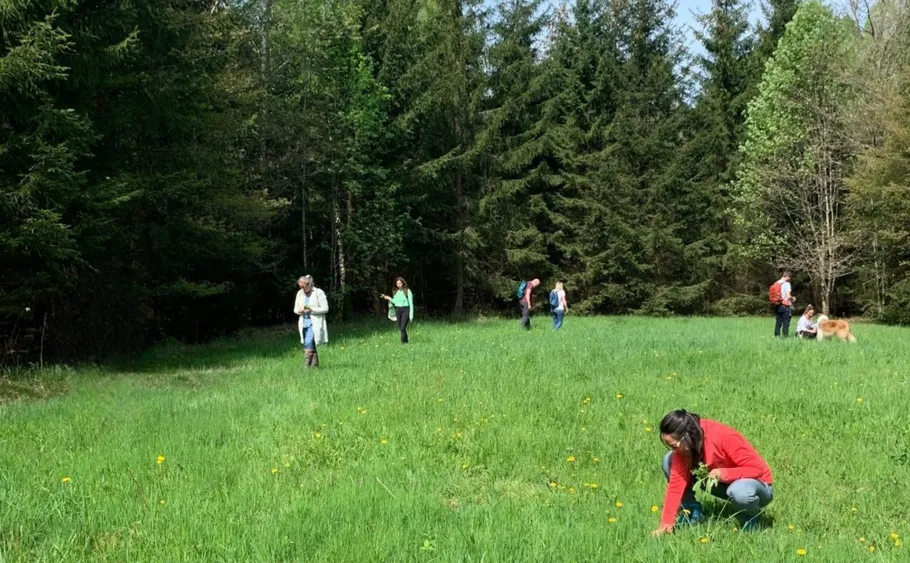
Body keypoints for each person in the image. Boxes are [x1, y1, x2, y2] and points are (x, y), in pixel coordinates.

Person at [653, 410, 773, 536]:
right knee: (669, 460)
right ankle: (692, 512)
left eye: (674, 446)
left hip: (757, 486)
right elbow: (676, 485)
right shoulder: (686, 445)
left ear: (686, 437)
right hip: (722, 482)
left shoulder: (721, 436)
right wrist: (666, 524)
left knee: (739, 491)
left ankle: (750, 518)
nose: (674, 450)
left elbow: (757, 469)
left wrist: (724, 473)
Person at [294, 275, 329, 368]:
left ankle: (306, 365)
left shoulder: (318, 292)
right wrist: (299, 310)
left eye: (303, 286)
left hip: (315, 323)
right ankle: (314, 366)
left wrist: (311, 310)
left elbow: (325, 308)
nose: (301, 289)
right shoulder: (300, 293)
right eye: (300, 287)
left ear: (308, 284)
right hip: (303, 323)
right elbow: (295, 309)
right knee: (310, 343)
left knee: (308, 342)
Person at [381, 277, 414, 344]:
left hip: (405, 310)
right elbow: (395, 302)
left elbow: (411, 304)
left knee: (402, 328)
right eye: (397, 283)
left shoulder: (408, 291)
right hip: (398, 311)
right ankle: (406, 342)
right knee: (401, 329)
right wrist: (389, 298)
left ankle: (403, 343)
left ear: (403, 283)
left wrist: (411, 315)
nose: (398, 285)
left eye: (400, 283)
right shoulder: (396, 292)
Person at [772, 271, 795, 337]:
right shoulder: (786, 284)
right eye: (789, 277)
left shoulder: (776, 283)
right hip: (785, 306)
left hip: (777, 305)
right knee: (786, 323)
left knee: (778, 322)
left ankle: (776, 336)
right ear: (787, 276)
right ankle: (785, 337)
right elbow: (788, 296)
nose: (789, 279)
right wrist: (793, 298)